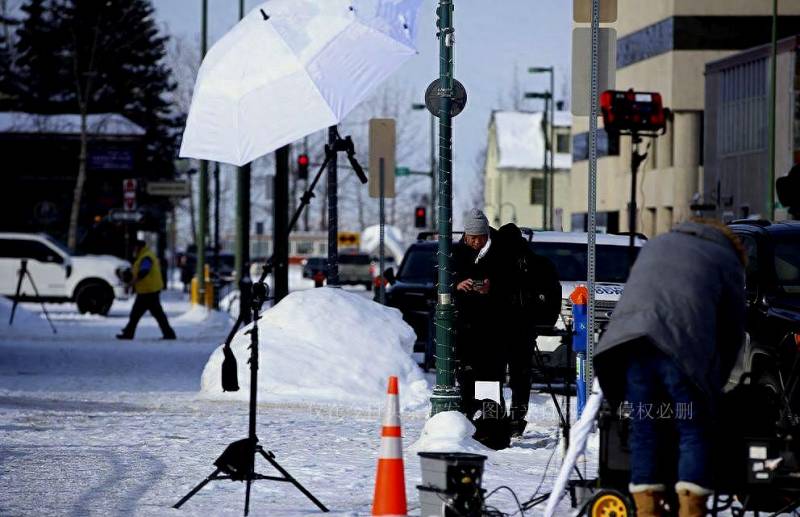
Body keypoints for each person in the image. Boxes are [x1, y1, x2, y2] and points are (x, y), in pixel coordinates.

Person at [593, 219, 747, 517]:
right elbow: (732, 330)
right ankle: (691, 510)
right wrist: (715, 382)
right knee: (693, 429)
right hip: (681, 348)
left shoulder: (658, 244)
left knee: (644, 427)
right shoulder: (726, 259)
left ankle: (648, 508)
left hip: (632, 345)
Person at [453, 209, 506, 419]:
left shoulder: (499, 253)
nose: (476, 242)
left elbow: (510, 283)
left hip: (490, 327)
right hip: (463, 326)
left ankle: (490, 419)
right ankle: (466, 414)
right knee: (466, 374)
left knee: (490, 374)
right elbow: (439, 284)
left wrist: (490, 287)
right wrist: (457, 285)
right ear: (466, 236)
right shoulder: (455, 254)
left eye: (480, 238)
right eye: (472, 238)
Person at [117, 239, 176, 340]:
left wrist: (132, 282)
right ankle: (169, 333)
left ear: (139, 247)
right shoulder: (145, 256)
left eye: (135, 248)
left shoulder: (146, 257)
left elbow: (144, 272)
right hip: (149, 290)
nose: (134, 250)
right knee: (156, 314)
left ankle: (128, 333)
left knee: (136, 314)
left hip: (148, 291)